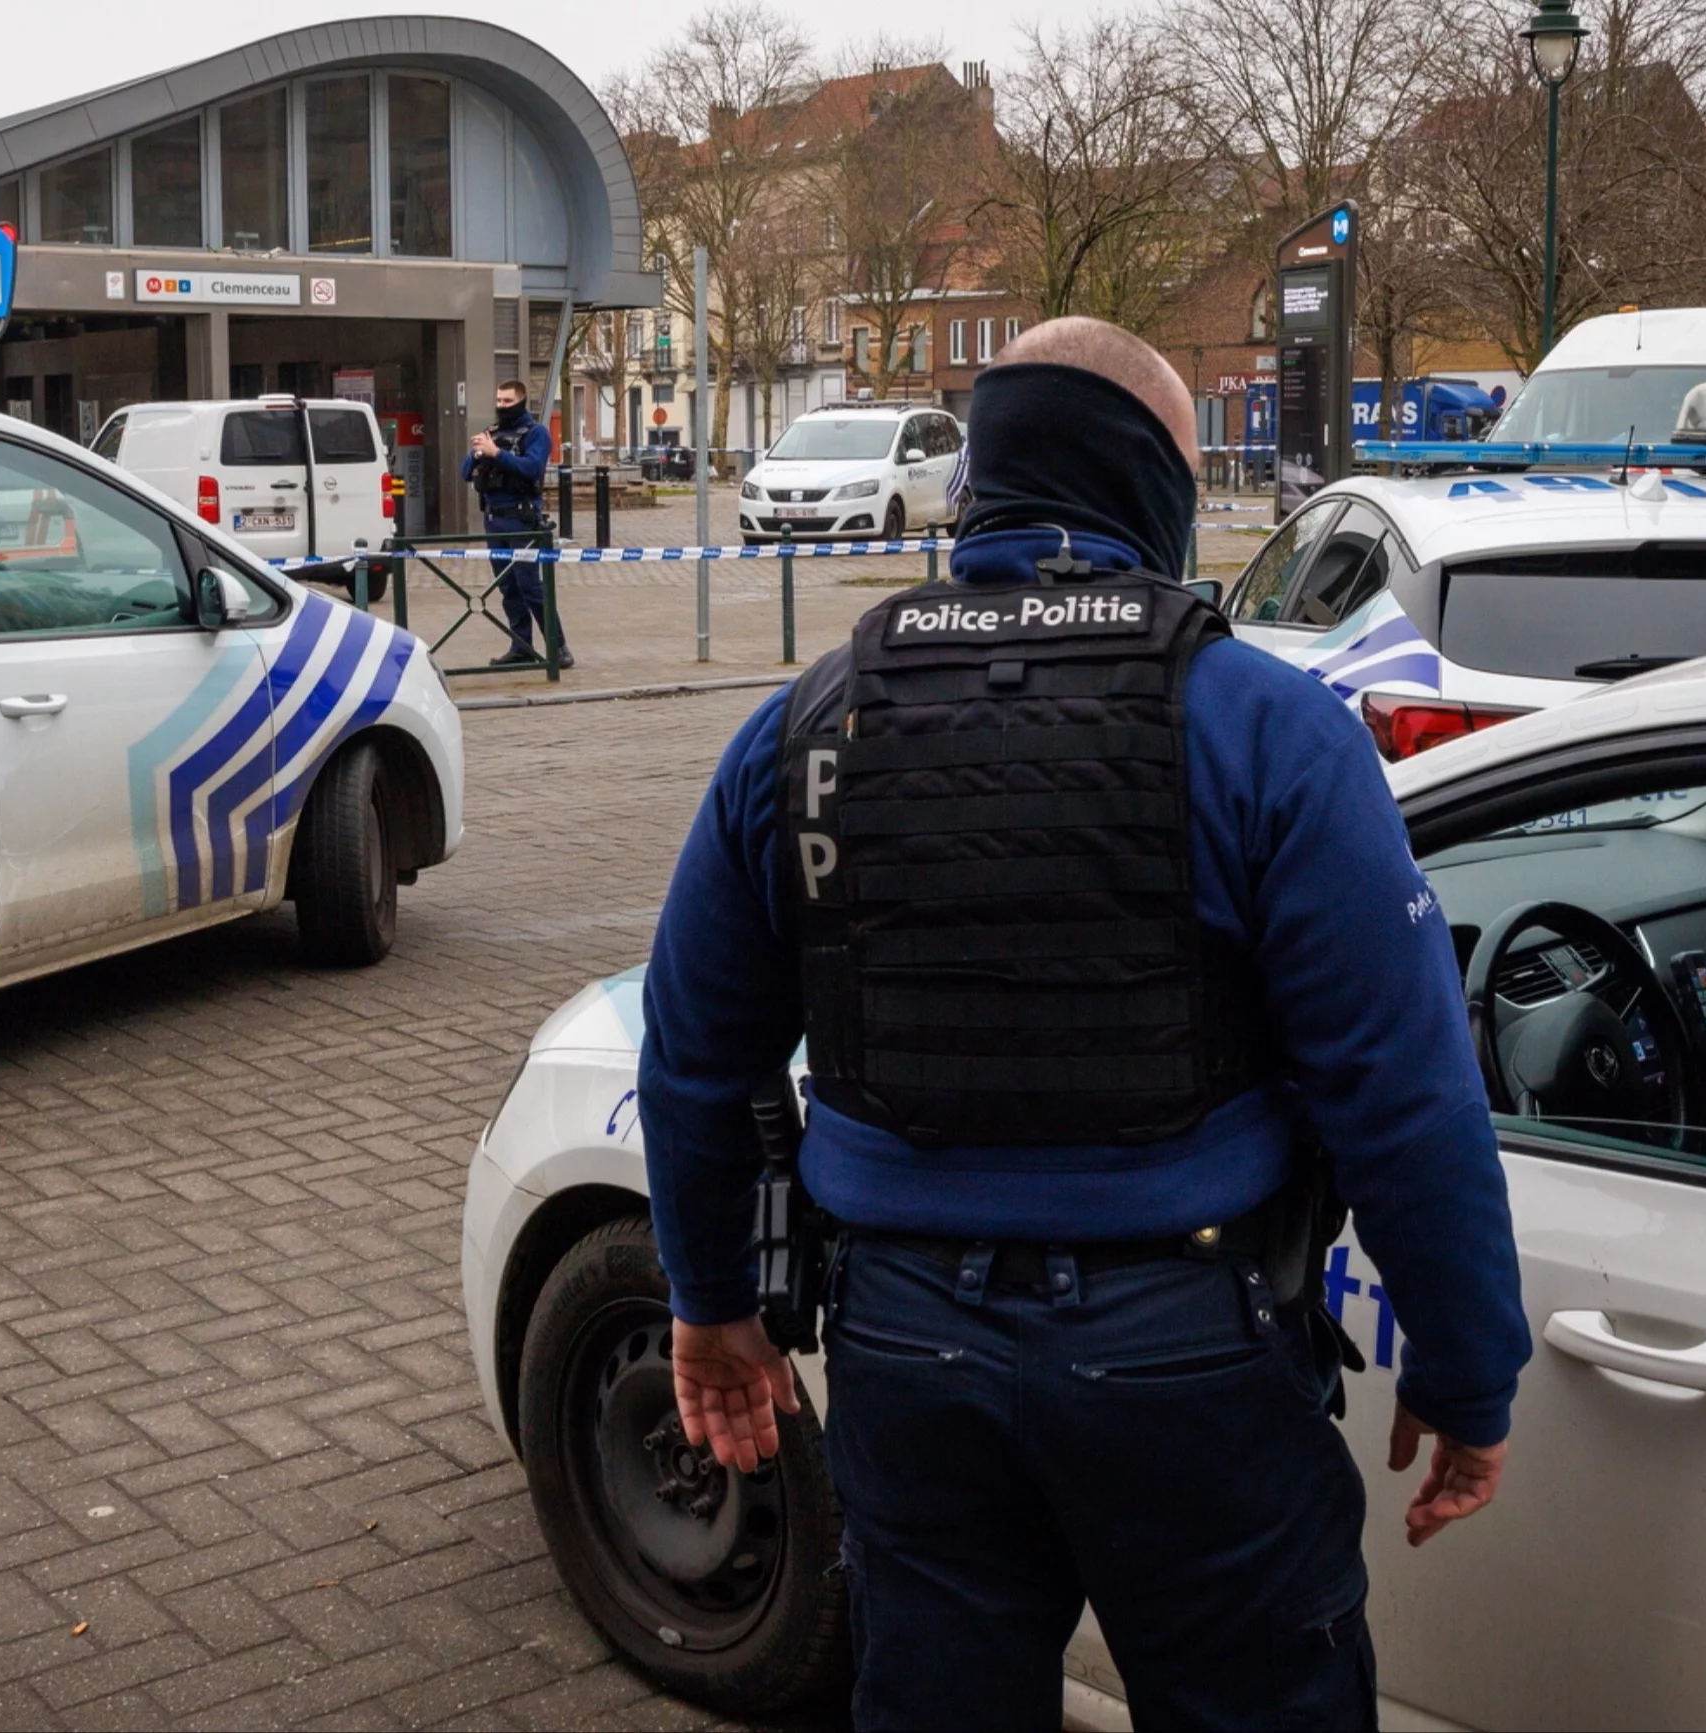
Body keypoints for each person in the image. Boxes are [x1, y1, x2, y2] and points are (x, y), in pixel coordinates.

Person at [636, 317, 1533, 1730]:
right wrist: (1467, 1365)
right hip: (1188, 1347)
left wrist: (709, 1302)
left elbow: (693, 1057)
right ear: (1151, 484)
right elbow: (1404, 1092)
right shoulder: (1266, 726)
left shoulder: (802, 726)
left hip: (903, 1349)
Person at [461, 379, 572, 669]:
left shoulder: (536, 433)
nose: (501, 406)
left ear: (521, 401)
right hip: (494, 520)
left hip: (522, 520)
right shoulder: (492, 433)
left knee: (530, 586)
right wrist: (476, 453)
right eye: (499, 400)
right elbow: (465, 473)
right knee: (507, 587)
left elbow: (532, 468)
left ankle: (558, 647)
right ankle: (521, 646)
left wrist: (497, 454)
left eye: (507, 401)